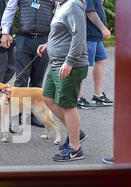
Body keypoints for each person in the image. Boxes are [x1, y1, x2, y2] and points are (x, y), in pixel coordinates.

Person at [37, 0, 88, 161]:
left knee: (68, 105)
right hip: (56, 64)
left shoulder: (73, 4)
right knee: (47, 97)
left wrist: (70, 61)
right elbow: (62, 31)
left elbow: (79, 35)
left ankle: (75, 149)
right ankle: (76, 133)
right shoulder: (60, 5)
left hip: (69, 65)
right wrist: (48, 44)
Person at [1, 0, 56, 128]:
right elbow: (10, 10)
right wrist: (4, 32)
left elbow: (60, 13)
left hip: (44, 39)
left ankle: (33, 115)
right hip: (24, 39)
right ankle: (16, 118)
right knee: (21, 80)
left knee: (37, 81)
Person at [77, 0, 113, 109]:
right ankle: (78, 98)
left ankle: (98, 95)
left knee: (101, 61)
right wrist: (103, 28)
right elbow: (90, 12)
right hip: (88, 36)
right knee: (82, 66)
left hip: (96, 37)